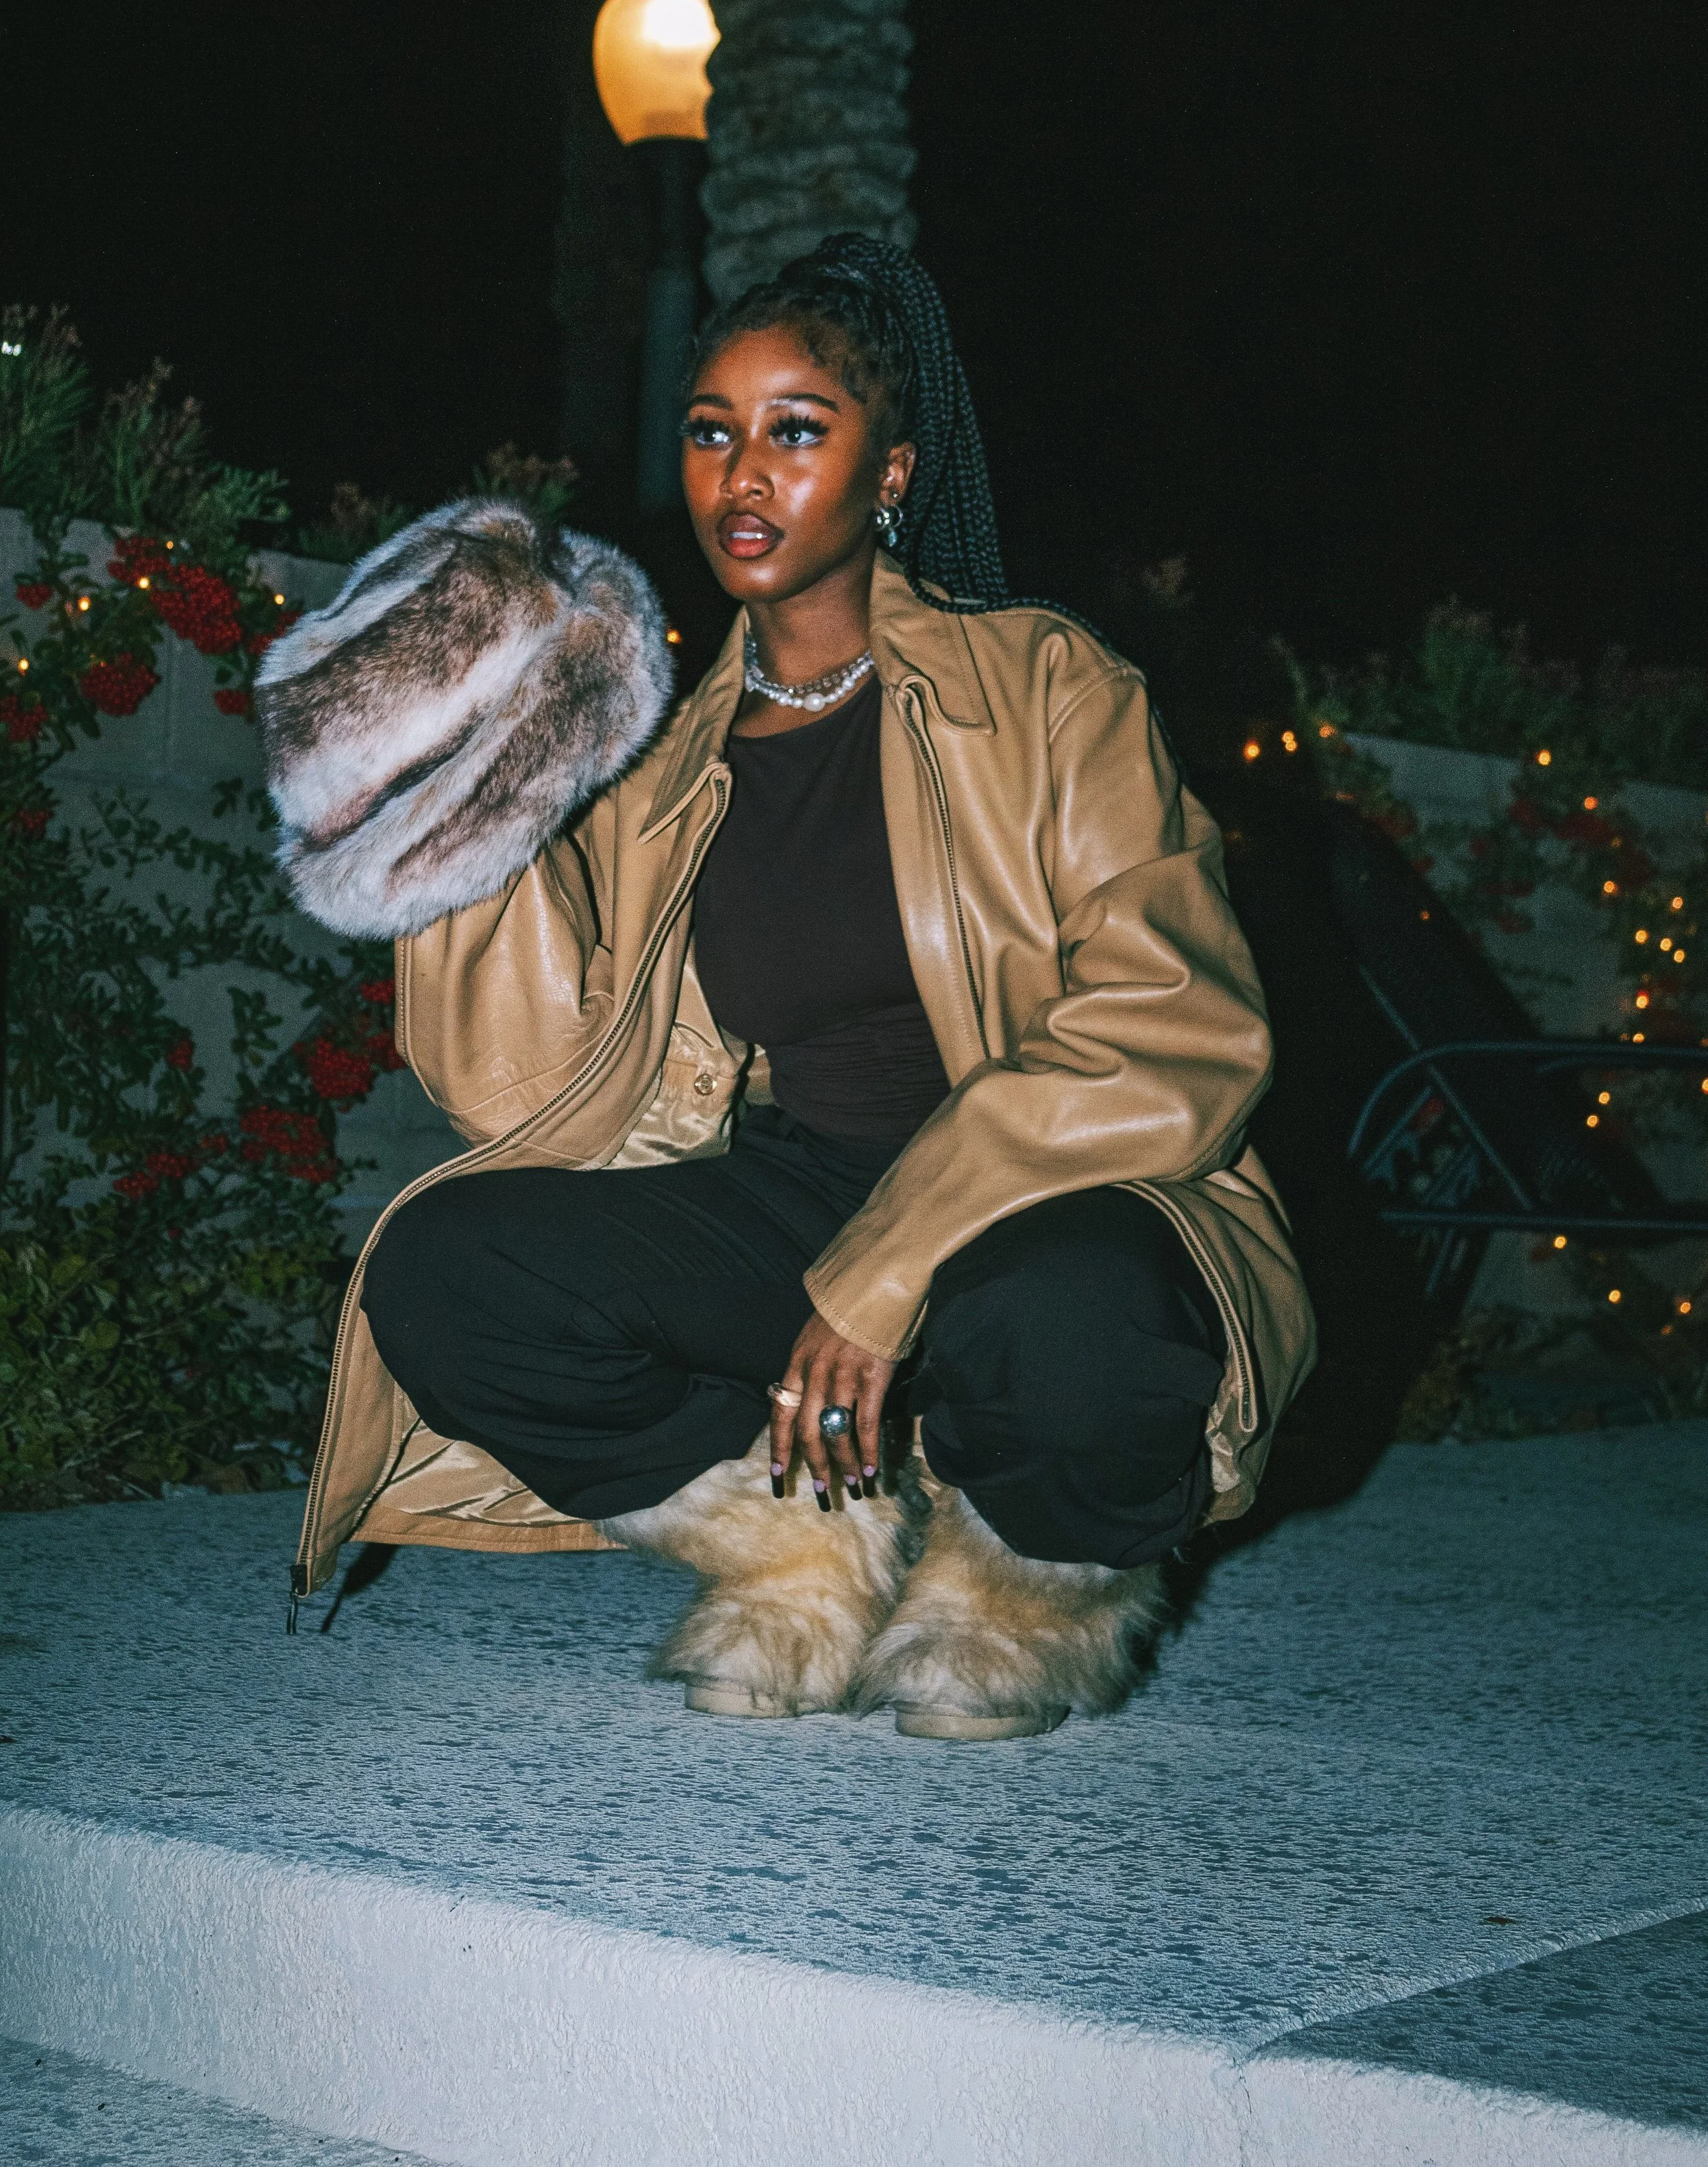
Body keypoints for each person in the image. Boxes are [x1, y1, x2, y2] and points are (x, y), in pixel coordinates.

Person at [261, 234, 1314, 1741]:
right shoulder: (659, 767)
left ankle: (1017, 1595)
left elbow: (1175, 1028)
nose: (740, 473)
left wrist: (882, 1275)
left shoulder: (1046, 690)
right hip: (796, 1195)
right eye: (709, 432)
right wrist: (472, 814)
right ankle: (802, 1538)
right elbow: (525, 1100)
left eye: (794, 431)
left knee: (1070, 1318)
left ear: (889, 470)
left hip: (1059, 1193)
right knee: (447, 1264)